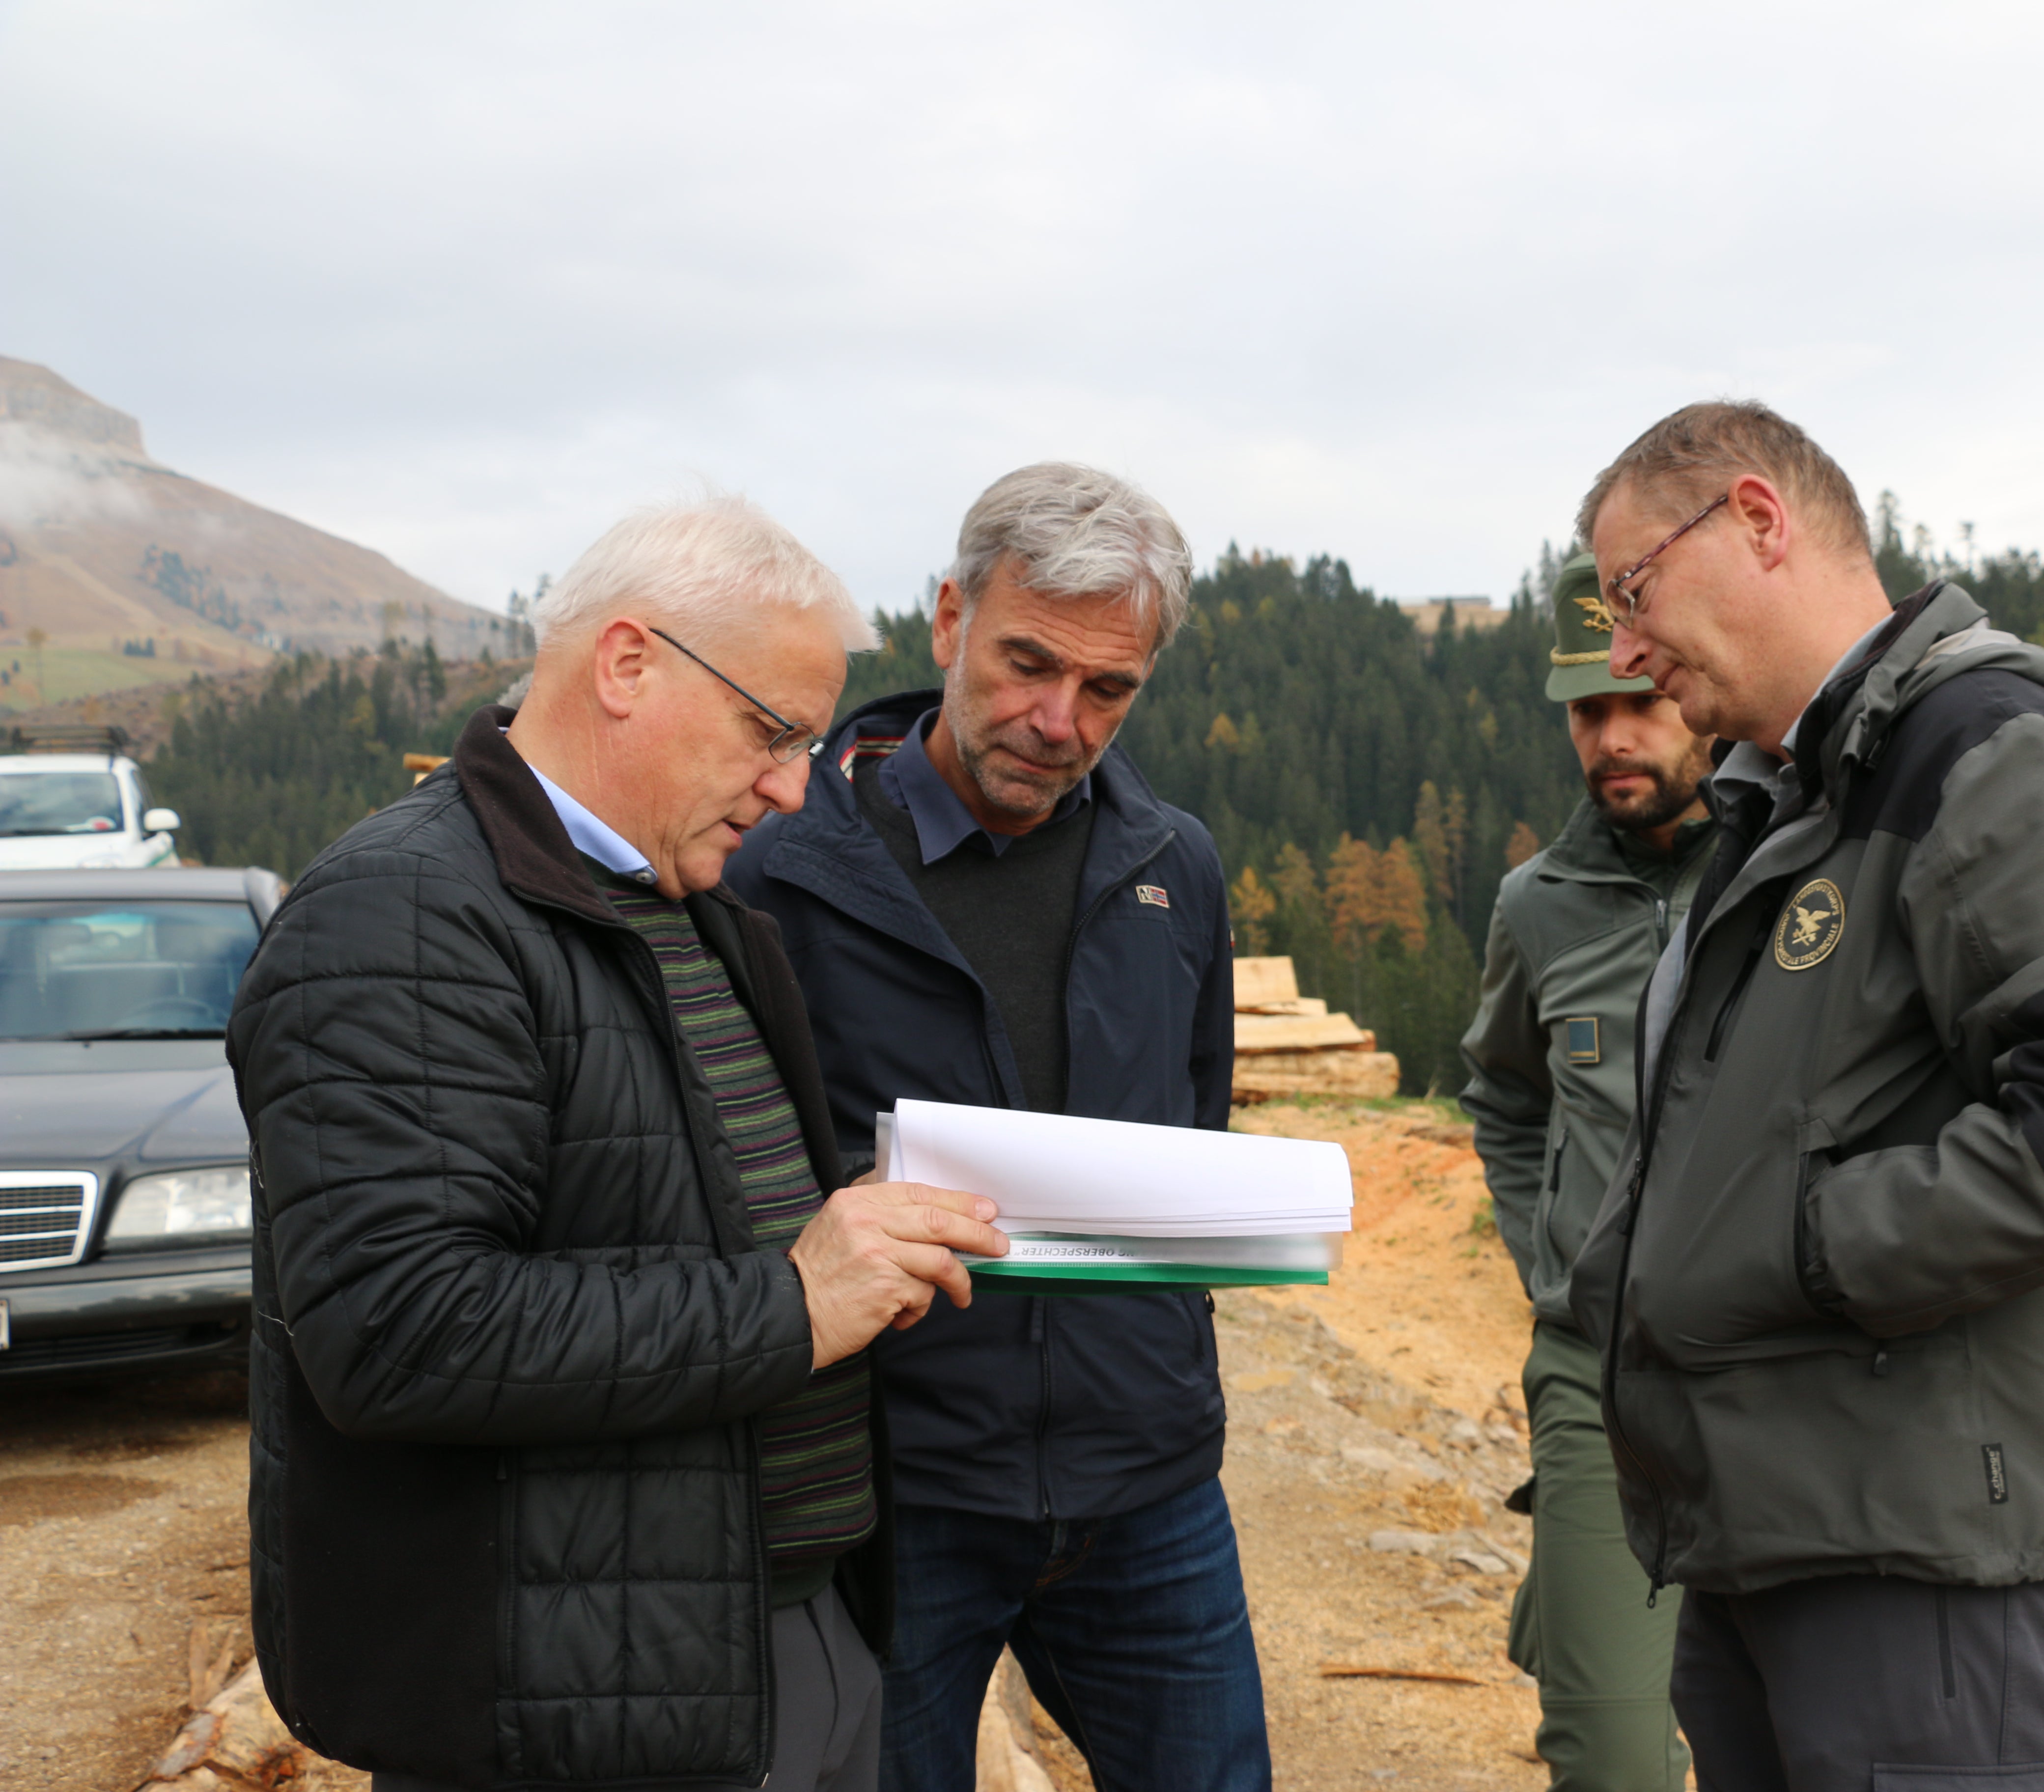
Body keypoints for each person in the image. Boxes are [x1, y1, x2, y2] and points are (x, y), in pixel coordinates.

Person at [228, 496, 1011, 1792]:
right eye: (773, 732)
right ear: (629, 663)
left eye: (811, 744)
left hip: (776, 1640)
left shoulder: (688, 910)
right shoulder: (397, 915)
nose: (794, 788)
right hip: (570, 1709)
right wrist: (795, 1297)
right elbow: (397, 1330)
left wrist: (859, 1231)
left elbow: (672, 1210)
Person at [1564, 401, 2044, 1792]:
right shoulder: (1790, 797)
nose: (1622, 650)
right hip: (1767, 1528)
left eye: (1632, 592)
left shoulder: (1990, 745)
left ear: (1756, 519)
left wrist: (1790, 1245)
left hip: (1910, 1552)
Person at [723, 463, 1266, 1792]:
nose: (1057, 719)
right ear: (950, 616)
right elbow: (726, 1170)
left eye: (1108, 690)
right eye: (1027, 663)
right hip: (892, 1495)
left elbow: (1190, 1126)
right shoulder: (780, 872)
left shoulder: (1172, 867)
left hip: (1149, 1487)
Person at [1458, 550, 1714, 1791]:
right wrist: (1551, 1252)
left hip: (1781, 1372)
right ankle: (1583, 1606)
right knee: (1613, 1755)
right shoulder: (1539, 903)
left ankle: (1570, 1597)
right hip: (1597, 1372)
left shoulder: (1803, 873)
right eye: (1586, 710)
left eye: (1639, 699)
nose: (1614, 737)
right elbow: (1504, 1094)